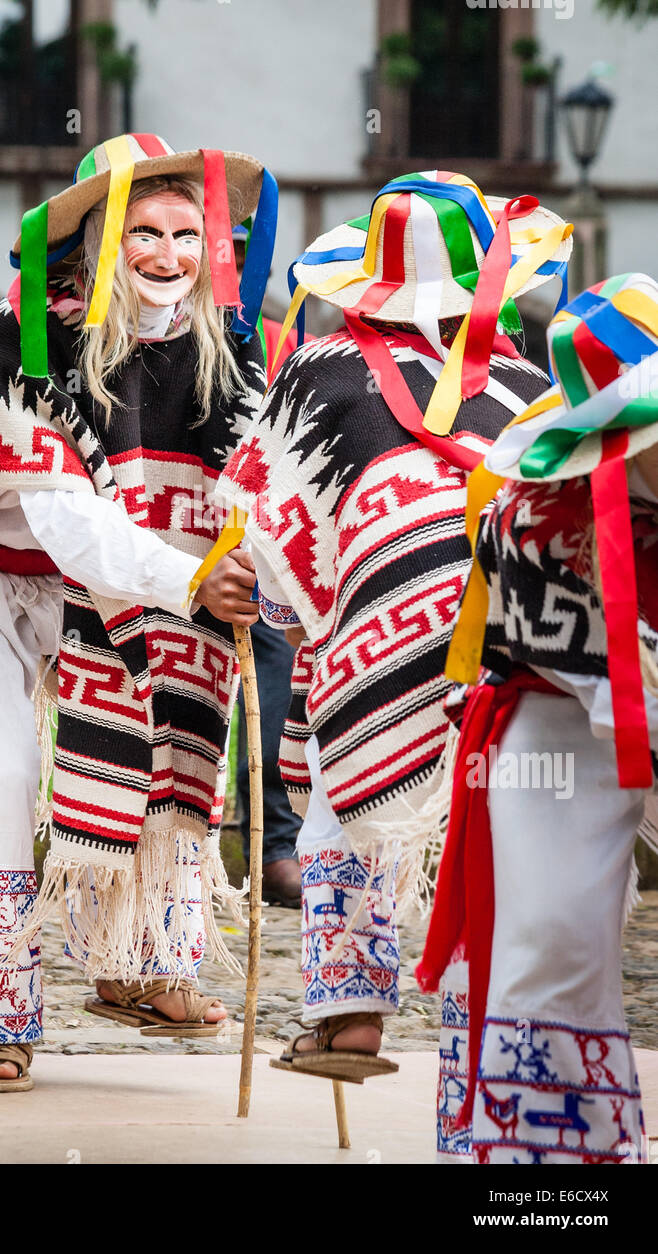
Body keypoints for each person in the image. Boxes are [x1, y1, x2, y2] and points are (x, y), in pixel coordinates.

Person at [0, 133, 278, 1090]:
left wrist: (259, 558)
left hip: (109, 580)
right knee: (2, 772)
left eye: (186, 231)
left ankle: (141, 965)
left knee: (167, 725)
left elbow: (253, 476)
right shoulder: (29, 335)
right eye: (145, 232)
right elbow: (71, 522)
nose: (170, 255)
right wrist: (189, 582)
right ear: (97, 234)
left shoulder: (219, 341)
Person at [217, 171, 572, 1157]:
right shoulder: (527, 389)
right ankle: (478, 1061)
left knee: (340, 792)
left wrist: (293, 607)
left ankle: (348, 1008)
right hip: (490, 654)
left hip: (365, 645)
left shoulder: (317, 372)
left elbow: (262, 534)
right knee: (474, 840)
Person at [418, 273, 658, 1164]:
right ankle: (544, 1182)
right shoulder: (538, 522)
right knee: (549, 946)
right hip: (549, 736)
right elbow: (622, 695)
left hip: (622, 720)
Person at [231, 223, 305, 907]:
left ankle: (274, 845)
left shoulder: (288, 342)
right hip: (167, 540)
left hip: (262, 550)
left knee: (277, 701)